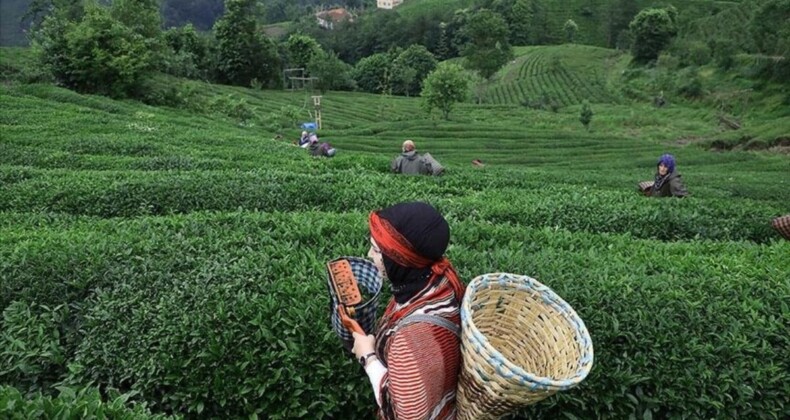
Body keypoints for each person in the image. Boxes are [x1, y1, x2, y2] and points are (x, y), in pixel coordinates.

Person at [352, 202, 465, 419]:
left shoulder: (412, 338)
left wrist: (368, 357)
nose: (369, 255)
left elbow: (406, 413)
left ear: (400, 259)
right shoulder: (436, 281)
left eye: (376, 250)